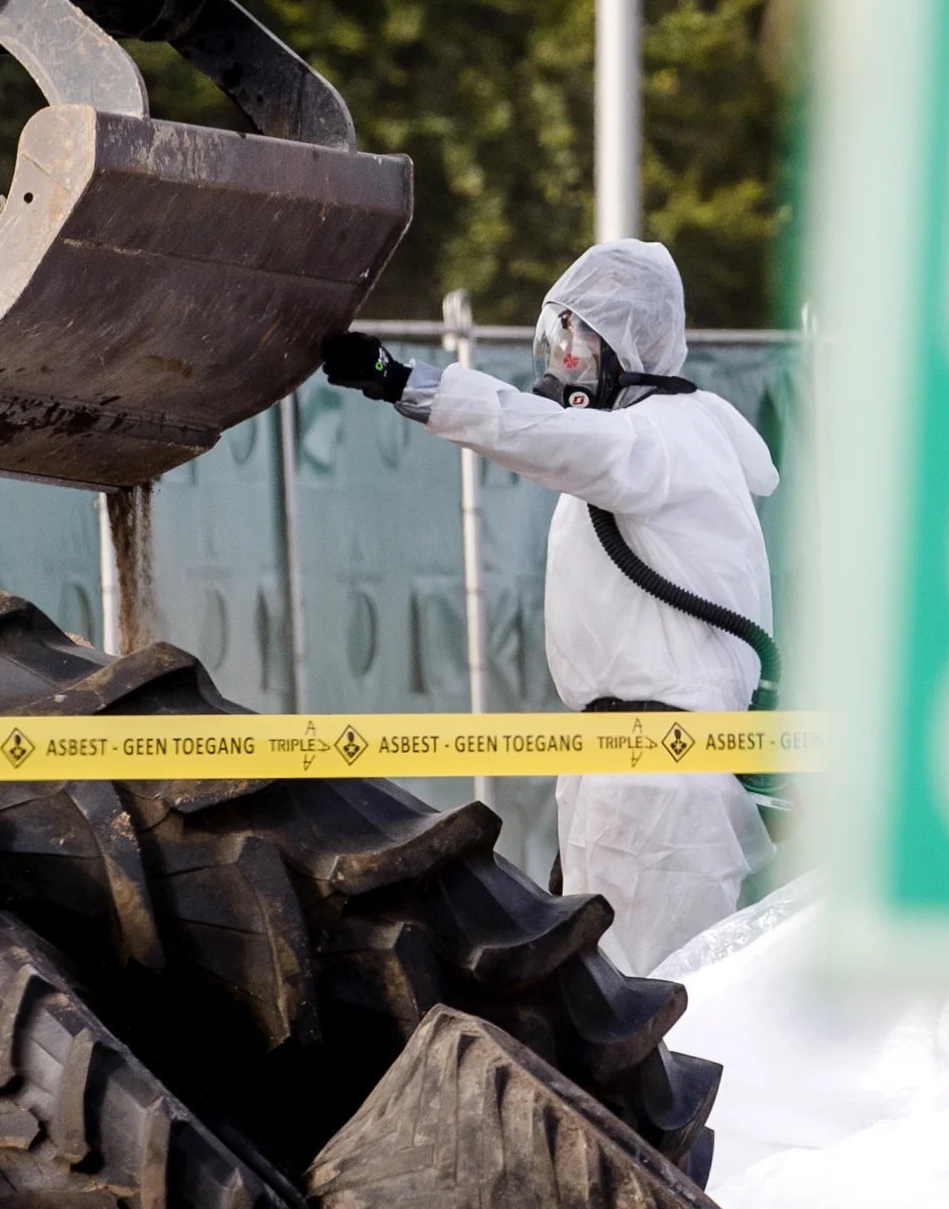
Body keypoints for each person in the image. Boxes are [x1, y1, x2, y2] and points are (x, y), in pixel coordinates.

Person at [325, 241, 776, 974]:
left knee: (654, 1005)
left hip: (658, 780)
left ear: (624, 344)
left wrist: (403, 382)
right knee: (611, 996)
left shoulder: (664, 439)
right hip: (631, 766)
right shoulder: (642, 443)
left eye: (575, 344)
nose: (561, 366)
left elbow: (549, 438)